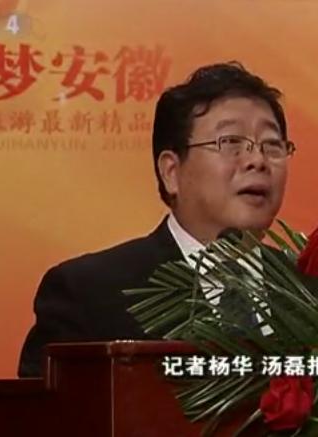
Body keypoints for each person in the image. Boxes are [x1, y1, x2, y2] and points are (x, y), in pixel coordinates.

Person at [18, 61, 296, 377]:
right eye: (230, 142)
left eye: (272, 145)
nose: (257, 160)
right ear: (171, 172)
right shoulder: (89, 294)